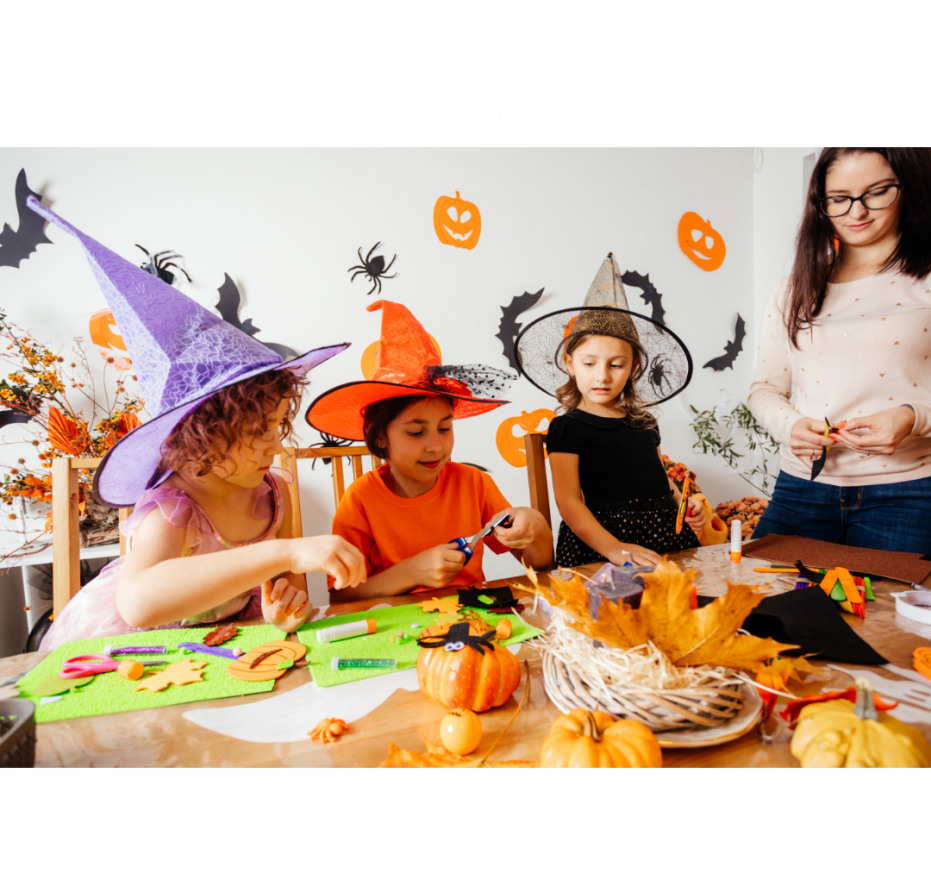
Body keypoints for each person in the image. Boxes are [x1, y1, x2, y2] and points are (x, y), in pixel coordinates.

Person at [30, 200, 365, 649]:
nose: (275, 446)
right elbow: (139, 604)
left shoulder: (273, 494)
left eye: (277, 425)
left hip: (220, 647)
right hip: (136, 649)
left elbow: (286, 599)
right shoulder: (173, 508)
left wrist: (283, 609)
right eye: (257, 431)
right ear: (201, 436)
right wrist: (285, 551)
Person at [305, 300, 553, 602]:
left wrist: (536, 526)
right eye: (415, 432)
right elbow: (341, 597)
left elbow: (539, 567)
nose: (435, 446)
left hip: (474, 619)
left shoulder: (474, 484)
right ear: (380, 436)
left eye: (444, 428)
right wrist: (411, 573)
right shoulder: (360, 500)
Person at [748, 147, 931, 551]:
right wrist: (791, 425)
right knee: (761, 591)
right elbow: (765, 389)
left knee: (884, 597)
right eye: (839, 198)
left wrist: (913, 417)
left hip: (909, 493)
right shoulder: (793, 288)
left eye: (877, 192)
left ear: (907, 188)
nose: (857, 211)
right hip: (801, 486)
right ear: (821, 202)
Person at [514, 254, 703, 568]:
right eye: (589, 363)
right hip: (603, 543)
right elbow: (568, 501)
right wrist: (614, 548)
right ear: (569, 363)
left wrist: (683, 502)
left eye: (616, 365)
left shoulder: (644, 422)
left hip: (667, 536)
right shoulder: (568, 427)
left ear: (633, 367)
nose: (602, 376)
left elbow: (658, 479)